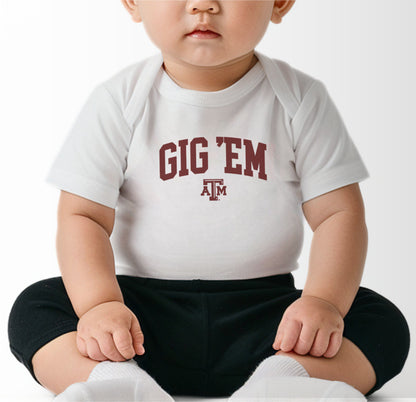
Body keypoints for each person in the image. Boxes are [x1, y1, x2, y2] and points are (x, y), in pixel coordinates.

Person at [8, 0, 410, 401]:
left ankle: (286, 383)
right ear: (133, 2)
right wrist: (99, 305)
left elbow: (338, 213)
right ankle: (115, 384)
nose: (203, 5)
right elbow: (83, 216)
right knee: (37, 307)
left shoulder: (300, 99)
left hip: (270, 326)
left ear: (280, 3)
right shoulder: (119, 101)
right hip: (139, 325)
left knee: (380, 321)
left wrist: (322, 302)